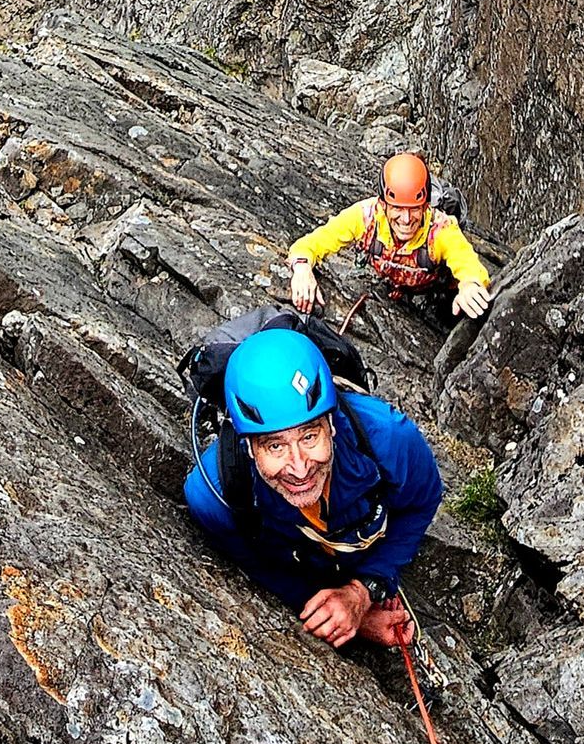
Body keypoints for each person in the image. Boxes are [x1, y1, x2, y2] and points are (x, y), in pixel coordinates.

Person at [184, 324, 442, 649]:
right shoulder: (216, 497)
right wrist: (353, 614)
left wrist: (365, 590)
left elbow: (423, 501)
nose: (300, 467)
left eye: (309, 436)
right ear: (248, 445)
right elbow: (264, 569)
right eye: (274, 446)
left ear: (331, 425)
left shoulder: (390, 440)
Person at [286, 151, 490, 333]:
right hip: (397, 285)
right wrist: (302, 268)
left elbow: (467, 263)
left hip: (438, 290)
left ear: (426, 206)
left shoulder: (441, 230)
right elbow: (312, 243)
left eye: (414, 208)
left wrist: (471, 285)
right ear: (382, 204)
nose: (406, 219)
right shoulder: (365, 218)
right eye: (397, 208)